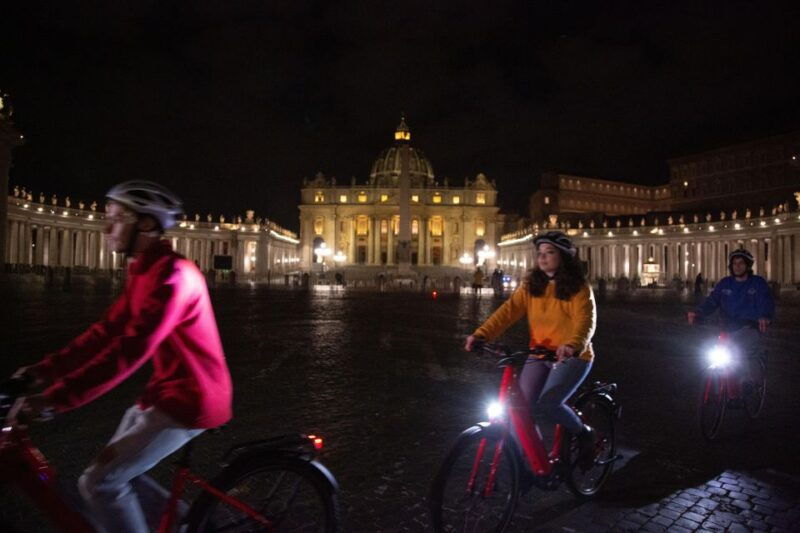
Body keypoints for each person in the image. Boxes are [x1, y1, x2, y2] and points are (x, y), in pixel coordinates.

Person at [14, 181, 233, 533]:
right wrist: (43, 371)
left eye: (116, 219)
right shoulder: (146, 269)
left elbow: (128, 351)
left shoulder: (173, 277)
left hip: (191, 400)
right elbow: (106, 331)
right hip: (163, 394)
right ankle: (192, 525)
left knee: (99, 482)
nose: (105, 228)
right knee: (110, 474)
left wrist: (56, 399)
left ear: (145, 225)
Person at [464, 231, 597, 467]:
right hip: (539, 353)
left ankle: (584, 432)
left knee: (549, 403)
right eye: (540, 253)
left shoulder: (579, 288)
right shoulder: (531, 285)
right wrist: (481, 334)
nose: (543, 258)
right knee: (520, 408)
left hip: (573, 356)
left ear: (564, 257)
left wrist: (574, 344)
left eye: (549, 253)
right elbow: (508, 312)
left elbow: (586, 320)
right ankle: (528, 463)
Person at [687, 249, 774, 393]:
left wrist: (765, 316)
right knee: (714, 351)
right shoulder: (725, 283)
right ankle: (726, 390)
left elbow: (766, 301)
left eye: (741, 263)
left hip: (750, 326)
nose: (737, 266)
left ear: (748, 266)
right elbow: (712, 301)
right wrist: (698, 313)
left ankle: (747, 380)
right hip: (727, 327)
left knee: (742, 349)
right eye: (734, 263)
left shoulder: (757, 283)